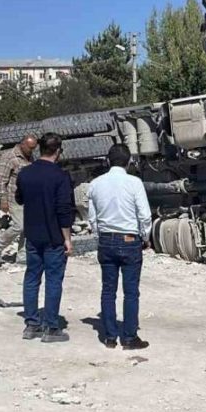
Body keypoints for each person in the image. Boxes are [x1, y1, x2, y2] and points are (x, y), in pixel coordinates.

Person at [86, 143, 152, 350]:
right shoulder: (134, 183)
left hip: (106, 240)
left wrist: (100, 234)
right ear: (129, 161)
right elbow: (145, 215)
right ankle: (130, 337)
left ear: (107, 161)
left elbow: (92, 218)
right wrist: (145, 236)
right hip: (129, 239)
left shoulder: (95, 184)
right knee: (131, 292)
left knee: (108, 290)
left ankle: (110, 337)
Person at [15, 132, 74, 343]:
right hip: (54, 235)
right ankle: (51, 327)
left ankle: (31, 324)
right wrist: (67, 238)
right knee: (53, 280)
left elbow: (19, 198)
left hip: (32, 233)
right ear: (57, 151)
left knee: (32, 277)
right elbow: (64, 209)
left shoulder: (25, 173)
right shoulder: (61, 176)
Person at [0, 134, 37, 268]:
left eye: (33, 148)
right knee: (19, 226)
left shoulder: (30, 157)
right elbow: (1, 180)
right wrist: (3, 199)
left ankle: (22, 255)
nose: (31, 150)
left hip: (28, 198)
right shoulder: (9, 157)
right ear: (22, 144)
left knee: (28, 227)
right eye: (30, 148)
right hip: (13, 197)